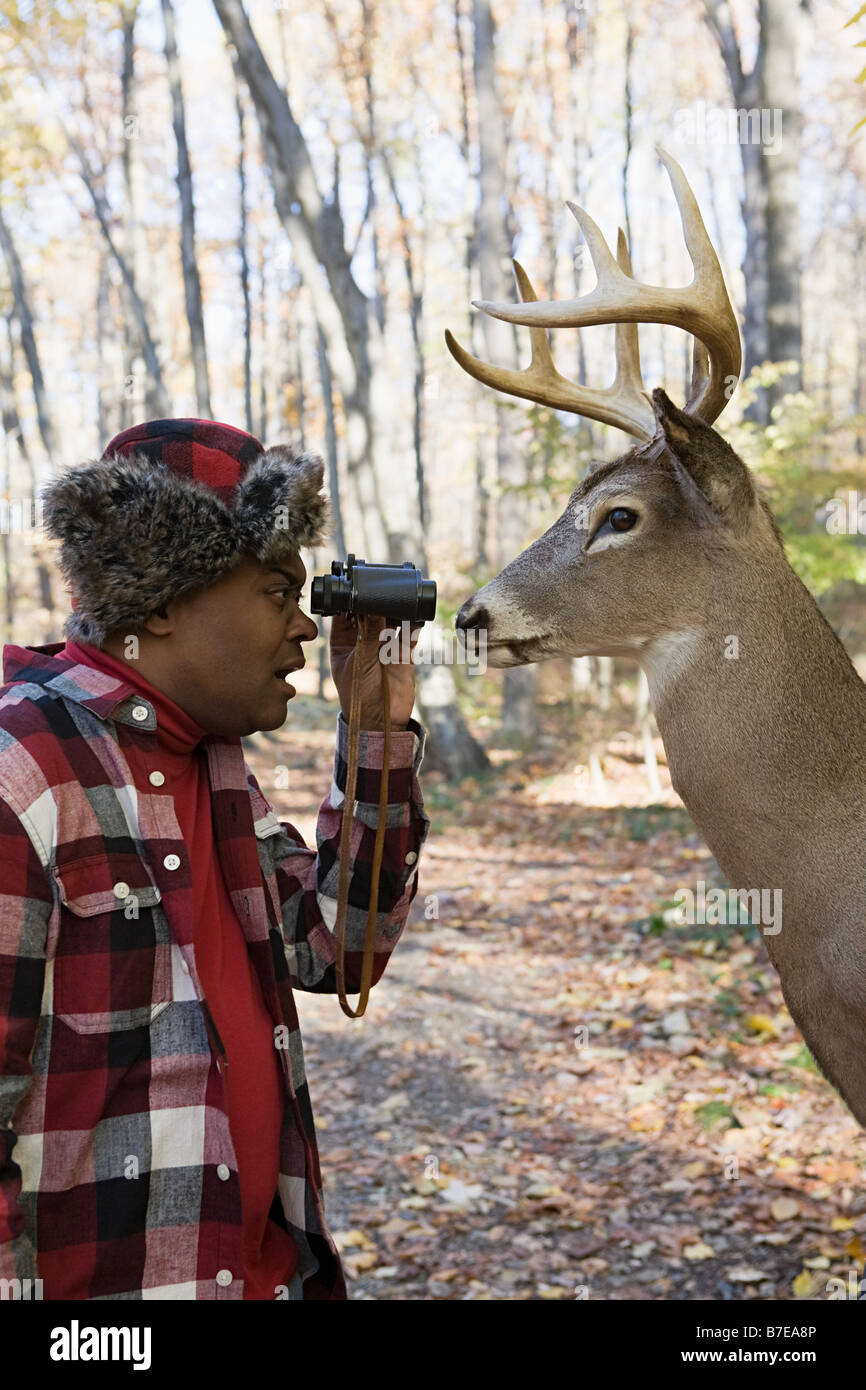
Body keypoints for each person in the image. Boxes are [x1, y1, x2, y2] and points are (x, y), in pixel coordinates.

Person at [0, 417, 430, 1300]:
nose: (308, 627)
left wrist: (378, 728)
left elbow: (337, 947)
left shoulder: (213, 764)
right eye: (278, 593)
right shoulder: (26, 775)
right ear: (159, 599)